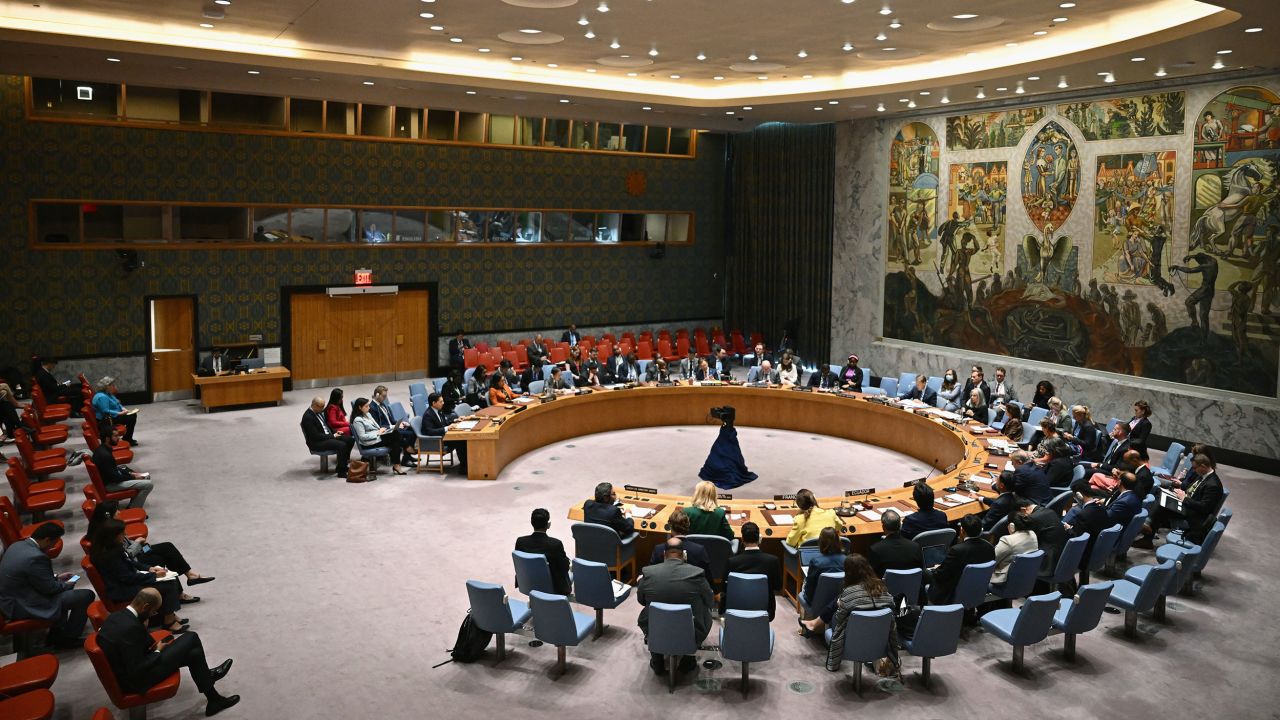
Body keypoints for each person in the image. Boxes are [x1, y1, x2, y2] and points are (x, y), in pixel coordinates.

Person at [97, 588, 239, 716]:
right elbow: (138, 667)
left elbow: (139, 644)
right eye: (153, 612)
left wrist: (144, 628)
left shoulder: (117, 616)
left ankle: (214, 700)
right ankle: (209, 679)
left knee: (193, 654)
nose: (153, 615)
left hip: (131, 667)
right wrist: (158, 651)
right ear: (145, 607)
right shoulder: (130, 628)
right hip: (137, 681)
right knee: (191, 637)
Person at [88, 501, 214, 601]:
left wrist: (140, 544)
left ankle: (189, 575)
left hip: (137, 550)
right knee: (159, 559)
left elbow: (125, 544)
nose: (120, 512)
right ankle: (179, 593)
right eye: (117, 511)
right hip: (134, 556)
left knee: (166, 547)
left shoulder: (112, 526)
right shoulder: (107, 532)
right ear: (108, 515)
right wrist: (137, 543)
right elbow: (126, 554)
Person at [0, 522, 94, 648]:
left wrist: (56, 577)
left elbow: (30, 576)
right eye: (53, 544)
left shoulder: (17, 545)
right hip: (23, 604)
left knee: (65, 590)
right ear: (47, 540)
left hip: (11, 598)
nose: (51, 548)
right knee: (86, 596)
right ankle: (68, 638)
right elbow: (51, 589)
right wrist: (68, 583)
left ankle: (57, 630)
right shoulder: (36, 557)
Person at [89, 519, 186, 633]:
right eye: (122, 533)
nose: (125, 535)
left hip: (126, 582)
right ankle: (169, 621)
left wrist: (149, 568)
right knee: (168, 584)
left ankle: (168, 615)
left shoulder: (112, 547)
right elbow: (127, 578)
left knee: (167, 579)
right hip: (122, 590)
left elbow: (130, 561)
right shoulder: (109, 556)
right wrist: (153, 576)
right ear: (112, 536)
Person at [636, 538, 714, 676]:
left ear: (664, 554)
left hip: (655, 626)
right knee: (706, 612)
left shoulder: (648, 573)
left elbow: (641, 600)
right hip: (689, 628)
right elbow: (710, 602)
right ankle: (688, 659)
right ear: (684, 554)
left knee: (648, 612)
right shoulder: (697, 573)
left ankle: (657, 658)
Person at [815, 555, 899, 674]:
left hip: (851, 644)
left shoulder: (849, 594)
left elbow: (839, 619)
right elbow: (893, 609)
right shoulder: (883, 589)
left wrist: (840, 605)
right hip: (881, 642)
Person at [1146, 453, 1224, 545]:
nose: (1194, 470)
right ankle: (1149, 526)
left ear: (1203, 466)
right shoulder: (1203, 475)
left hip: (1193, 515)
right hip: (1187, 504)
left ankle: (1147, 537)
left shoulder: (1213, 485)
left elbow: (1204, 508)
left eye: (1195, 468)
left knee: (1161, 507)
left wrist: (1184, 499)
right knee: (1160, 493)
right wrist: (1182, 493)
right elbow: (1192, 489)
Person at [926, 514, 995, 604]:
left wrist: (936, 569)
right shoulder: (989, 547)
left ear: (962, 530)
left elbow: (941, 575)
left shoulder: (957, 550)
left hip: (952, 593)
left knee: (925, 575)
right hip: (978, 589)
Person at [92, 425, 154, 508]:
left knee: (135, 473)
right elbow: (115, 478)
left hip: (111, 480)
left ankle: (134, 505)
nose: (119, 438)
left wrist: (131, 473)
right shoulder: (105, 456)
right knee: (148, 484)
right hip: (111, 485)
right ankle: (134, 509)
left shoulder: (102, 449)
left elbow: (113, 470)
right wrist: (134, 477)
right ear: (107, 438)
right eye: (115, 436)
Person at [698, 406, 757, 491]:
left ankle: (725, 472)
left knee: (725, 449)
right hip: (726, 430)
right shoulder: (727, 415)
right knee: (725, 449)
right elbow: (716, 415)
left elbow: (717, 415)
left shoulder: (726, 416)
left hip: (727, 431)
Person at [514, 508, 571, 596]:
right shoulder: (555, 544)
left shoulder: (521, 541)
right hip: (551, 587)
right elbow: (564, 567)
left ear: (531, 523)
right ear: (548, 525)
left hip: (528, 583)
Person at [301, 396, 355, 479]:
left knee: (350, 440)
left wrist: (334, 432)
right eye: (321, 406)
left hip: (326, 436)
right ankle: (341, 472)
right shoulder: (308, 417)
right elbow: (315, 436)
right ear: (314, 405)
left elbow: (326, 426)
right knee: (342, 445)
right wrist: (332, 436)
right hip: (317, 442)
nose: (323, 409)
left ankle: (342, 465)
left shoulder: (318, 412)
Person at [350, 397, 408, 475]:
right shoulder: (357, 420)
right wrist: (378, 432)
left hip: (377, 438)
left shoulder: (368, 414)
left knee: (395, 439)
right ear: (360, 407)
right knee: (395, 435)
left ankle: (397, 464)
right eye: (366, 406)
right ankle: (407, 448)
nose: (369, 408)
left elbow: (377, 427)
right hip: (368, 443)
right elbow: (362, 437)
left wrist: (383, 430)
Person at [647, 509, 711, 574]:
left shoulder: (659, 550)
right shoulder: (699, 551)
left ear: (669, 526)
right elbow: (708, 578)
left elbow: (650, 574)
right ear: (688, 525)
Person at [420, 392, 469, 474]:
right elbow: (430, 431)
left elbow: (443, 423)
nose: (443, 403)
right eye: (441, 401)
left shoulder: (438, 410)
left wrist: (455, 420)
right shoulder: (428, 415)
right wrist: (446, 428)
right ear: (434, 403)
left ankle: (467, 464)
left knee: (464, 439)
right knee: (460, 440)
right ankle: (464, 467)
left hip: (443, 436)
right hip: (436, 441)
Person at [370, 385, 418, 467]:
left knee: (412, 429)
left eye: (386, 396)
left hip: (392, 427)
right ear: (377, 395)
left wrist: (400, 423)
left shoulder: (382, 404)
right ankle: (407, 455)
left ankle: (407, 456)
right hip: (386, 432)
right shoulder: (373, 408)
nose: (385, 398)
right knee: (409, 434)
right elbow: (378, 425)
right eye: (383, 396)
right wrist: (393, 426)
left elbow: (390, 419)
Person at [799, 527, 847, 609]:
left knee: (804, 583)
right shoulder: (847, 560)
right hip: (841, 602)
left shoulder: (816, 562)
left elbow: (809, 591)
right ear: (838, 542)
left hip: (817, 604)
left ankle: (807, 620)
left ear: (820, 542)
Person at [869, 509, 925, 578]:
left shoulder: (875, 549)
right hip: (912, 587)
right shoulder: (915, 547)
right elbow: (921, 571)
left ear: (883, 527)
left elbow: (872, 577)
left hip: (885, 588)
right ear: (900, 526)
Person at [991, 511, 1038, 585]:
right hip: (1026, 576)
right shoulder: (1033, 534)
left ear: (1011, 525)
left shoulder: (1008, 540)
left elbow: (991, 560)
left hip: (1006, 580)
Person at [92, 376, 138, 446]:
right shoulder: (102, 397)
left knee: (132, 415)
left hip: (113, 415)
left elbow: (117, 402)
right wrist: (119, 413)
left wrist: (123, 408)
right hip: (107, 420)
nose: (114, 387)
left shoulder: (108, 394)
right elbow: (105, 411)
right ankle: (128, 438)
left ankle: (128, 438)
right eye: (113, 385)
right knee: (131, 417)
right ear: (107, 386)